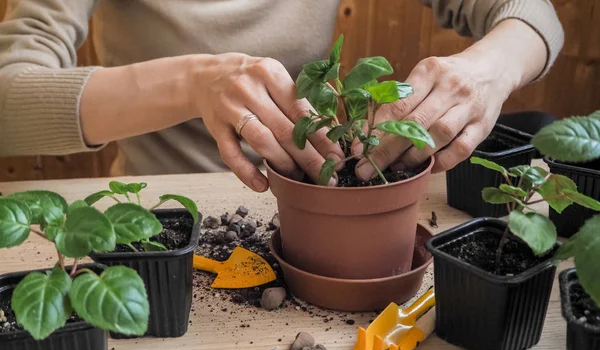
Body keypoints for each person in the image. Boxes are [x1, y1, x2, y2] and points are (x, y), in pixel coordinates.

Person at [0, 0, 563, 192]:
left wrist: (487, 70)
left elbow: (534, 17)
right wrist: (196, 82)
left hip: (306, 202)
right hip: (166, 218)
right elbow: (8, 103)